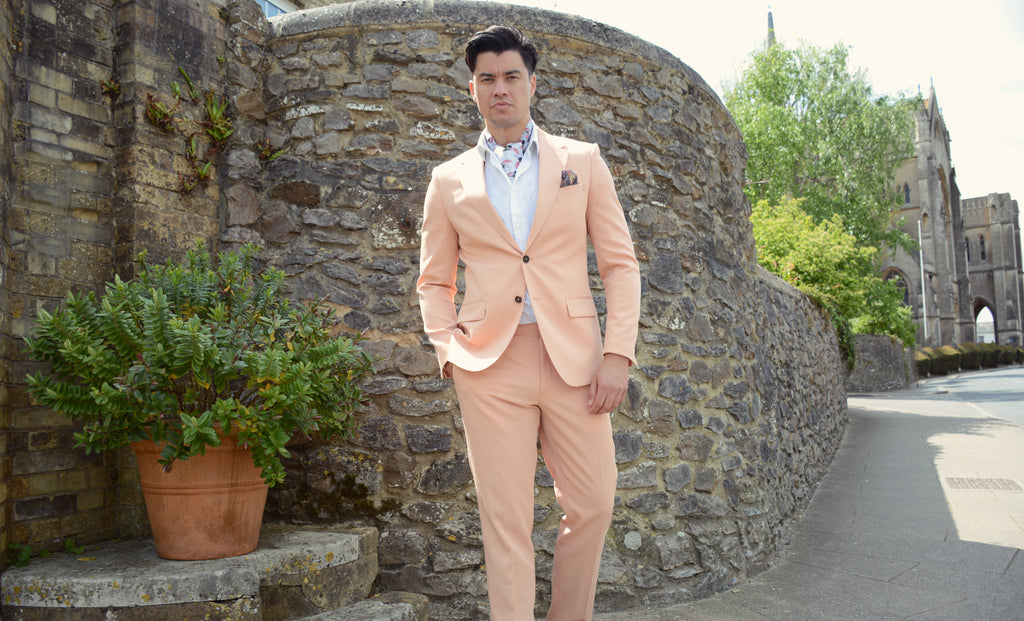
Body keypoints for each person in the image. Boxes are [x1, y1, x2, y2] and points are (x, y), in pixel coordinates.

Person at [416, 25, 641, 621]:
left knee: (594, 503)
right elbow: (434, 281)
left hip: (577, 360)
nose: (500, 88)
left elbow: (620, 265)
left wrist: (617, 353)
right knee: (505, 520)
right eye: (487, 78)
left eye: (511, 76)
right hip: (489, 364)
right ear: (472, 89)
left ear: (532, 84)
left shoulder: (582, 161)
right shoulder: (448, 180)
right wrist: (448, 351)